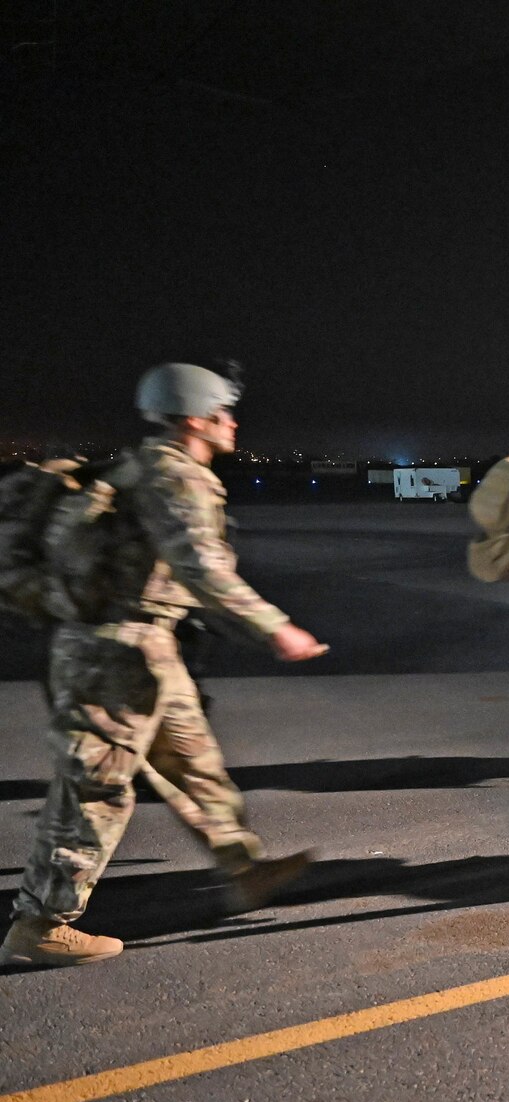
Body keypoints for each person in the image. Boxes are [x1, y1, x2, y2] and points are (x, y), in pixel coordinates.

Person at [4, 363, 326, 968]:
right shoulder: (174, 473)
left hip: (144, 644)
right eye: (223, 412)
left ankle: (243, 869)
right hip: (112, 651)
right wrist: (275, 626)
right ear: (196, 418)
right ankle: (41, 923)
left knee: (192, 759)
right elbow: (201, 566)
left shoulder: (144, 466)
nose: (232, 422)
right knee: (97, 786)